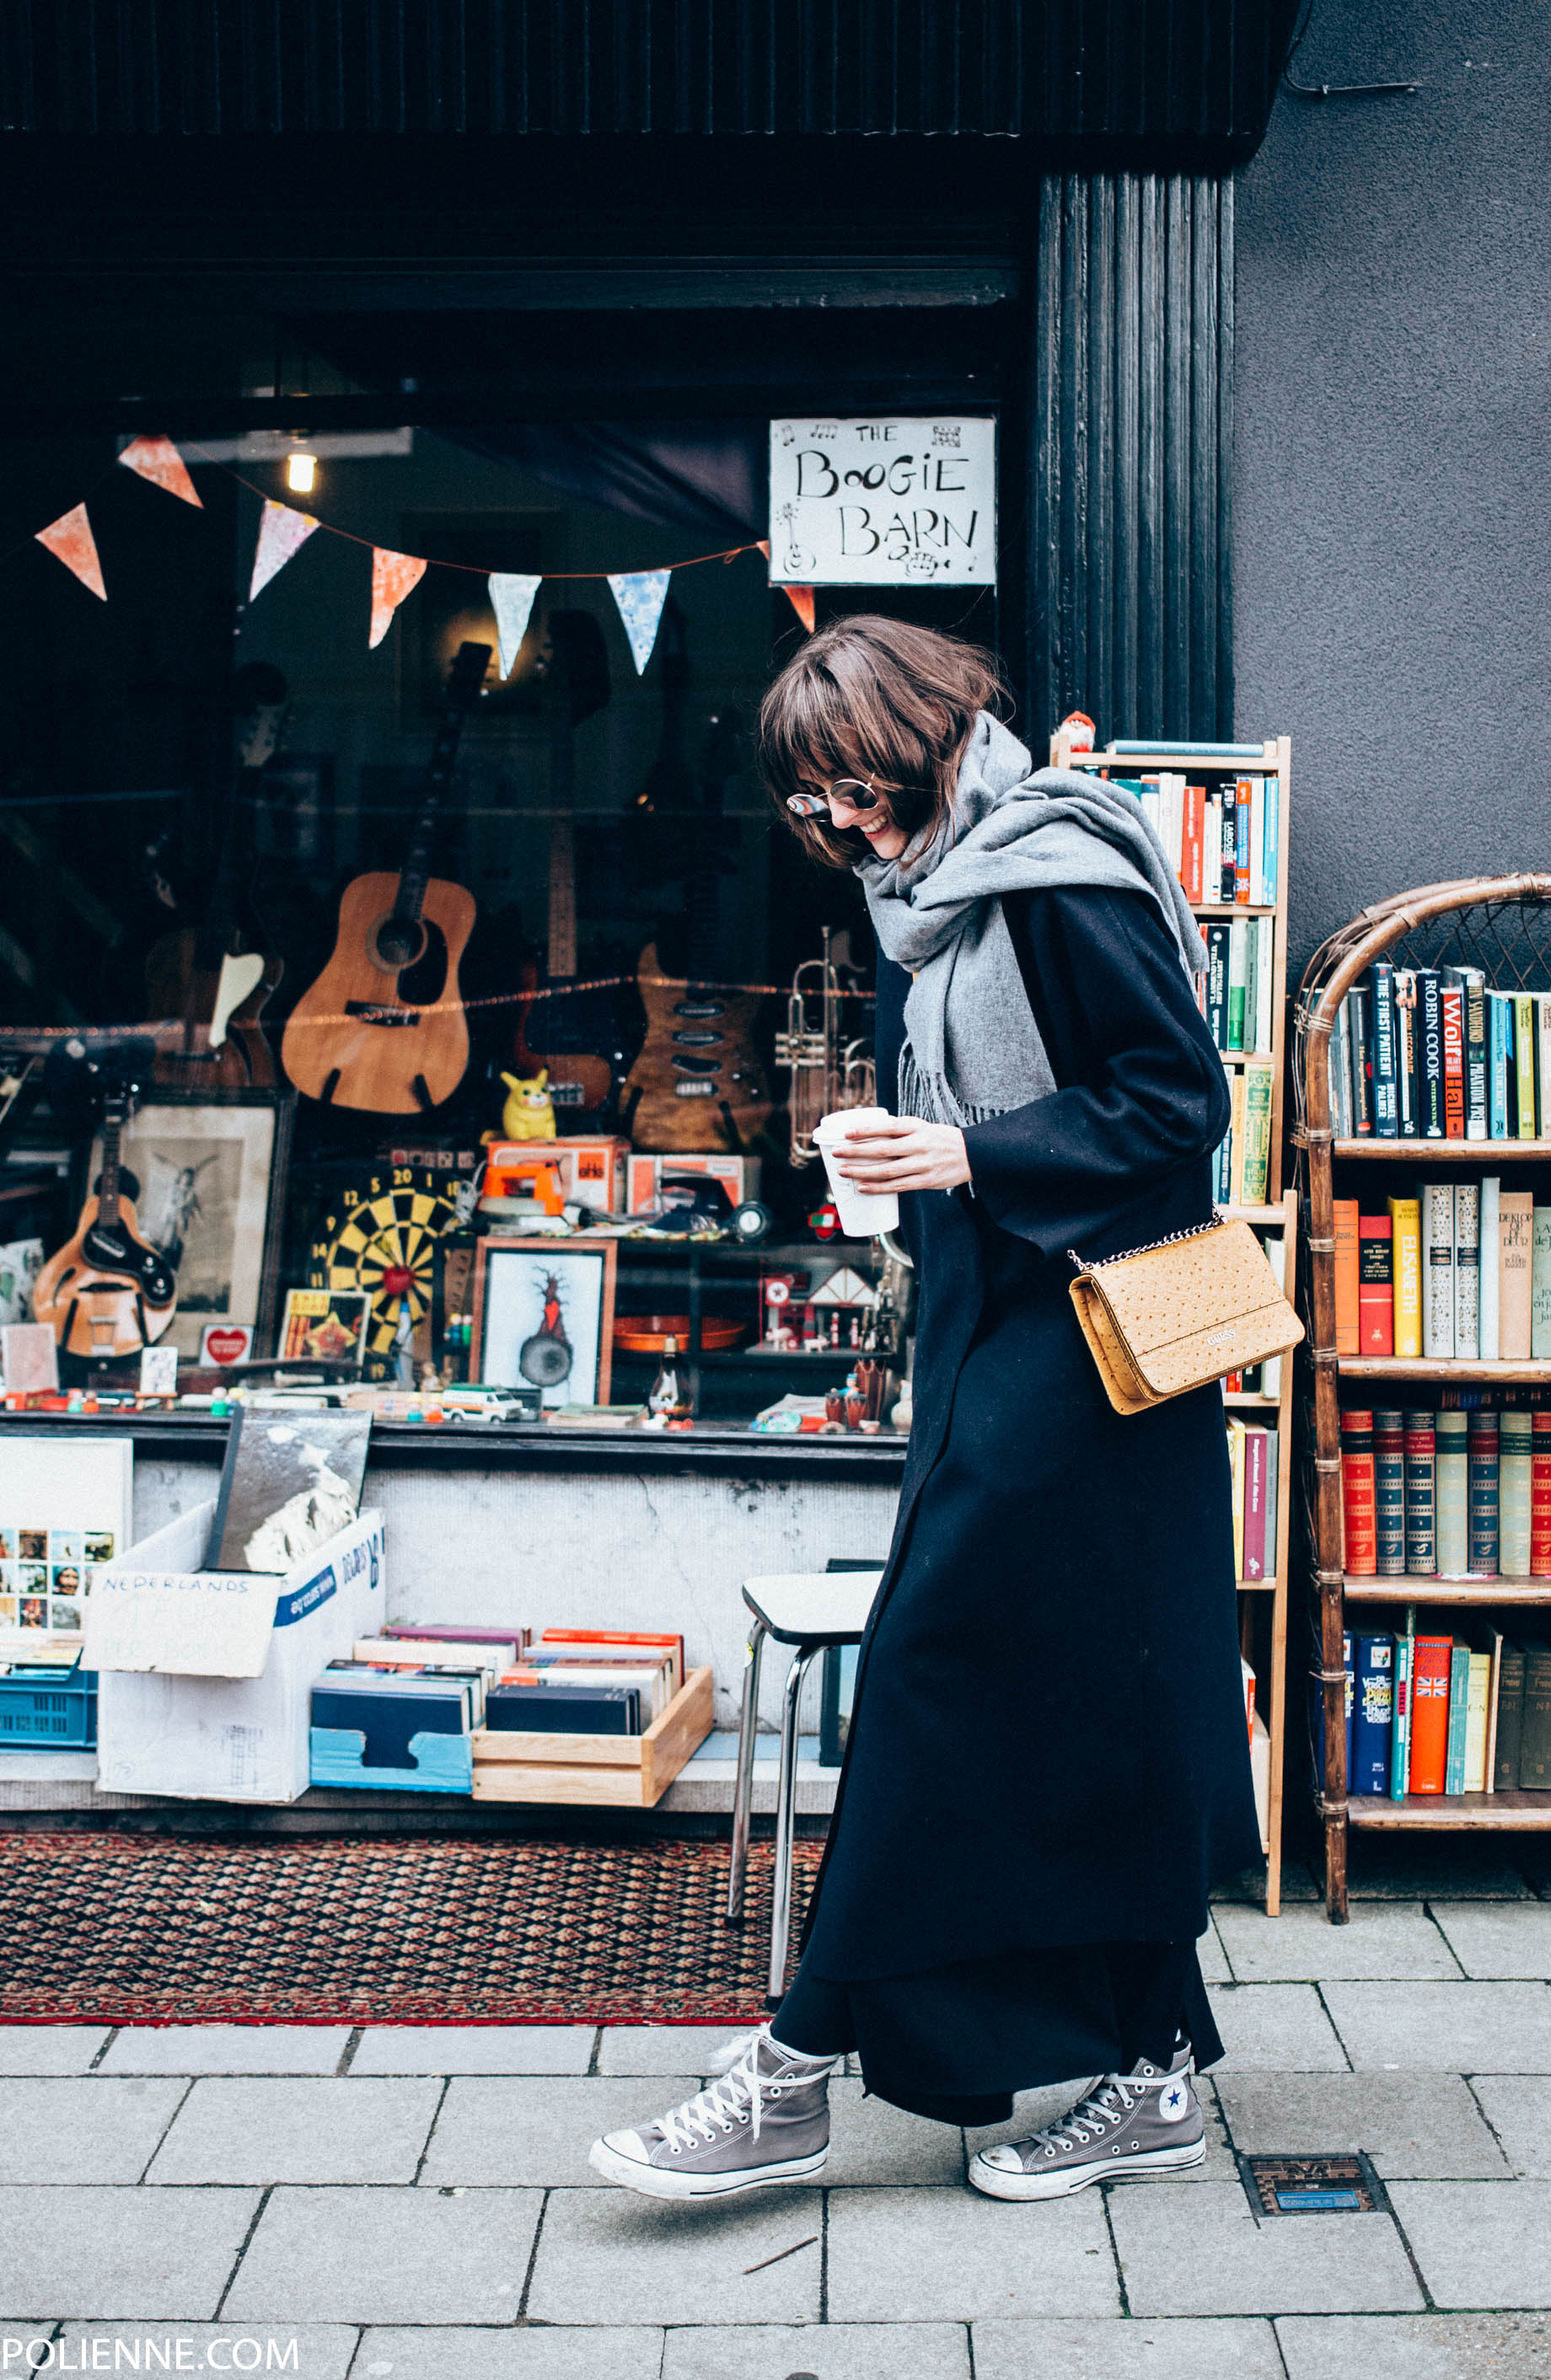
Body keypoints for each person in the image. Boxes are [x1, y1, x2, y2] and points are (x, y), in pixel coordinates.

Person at [592, 617, 1259, 2206]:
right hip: (996, 1331)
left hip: (1091, 1349)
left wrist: (962, 1159)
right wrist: (902, 1162)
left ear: (930, 734)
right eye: (813, 804)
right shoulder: (930, 902)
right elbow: (996, 1111)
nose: (840, 826)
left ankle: (797, 2066)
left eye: (857, 786)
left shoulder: (1051, 866)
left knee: (932, 1674)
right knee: (1069, 1694)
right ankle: (1158, 2074)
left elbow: (1178, 1102)